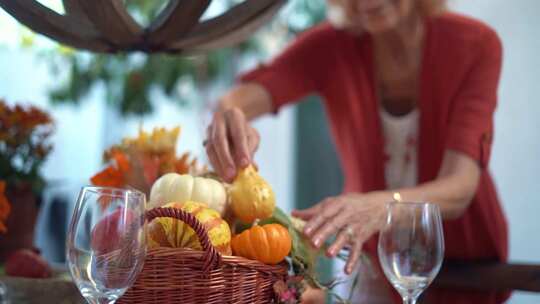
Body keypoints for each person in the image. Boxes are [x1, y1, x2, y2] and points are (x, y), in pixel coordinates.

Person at [204, 0, 508, 303]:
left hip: (467, 264)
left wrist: (381, 207)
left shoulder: (475, 44)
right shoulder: (330, 46)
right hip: (370, 261)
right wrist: (228, 115)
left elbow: (460, 185)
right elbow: (240, 99)